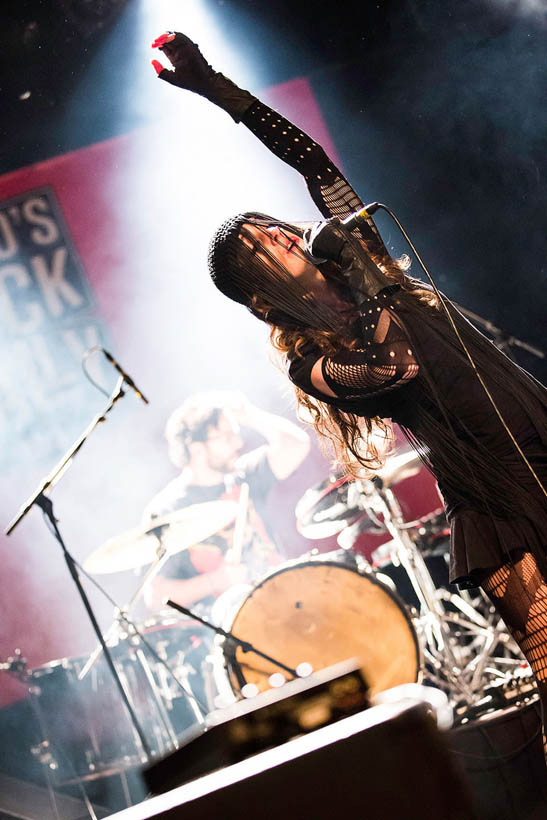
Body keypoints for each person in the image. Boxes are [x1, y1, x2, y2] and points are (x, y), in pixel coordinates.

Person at [150, 32, 547, 751]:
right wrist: (366, 281)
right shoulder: (314, 362)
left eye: (270, 226)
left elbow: (312, 162)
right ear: (261, 298)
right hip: (497, 502)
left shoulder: (370, 265)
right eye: (260, 247)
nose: (280, 234)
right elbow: (399, 368)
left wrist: (218, 90)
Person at [143, 390, 309, 614]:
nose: (238, 443)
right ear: (197, 449)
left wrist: (249, 414)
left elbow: (297, 445)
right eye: (227, 436)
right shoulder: (167, 509)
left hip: (286, 597)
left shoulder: (244, 474)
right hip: (232, 626)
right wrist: (217, 580)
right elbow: (156, 597)